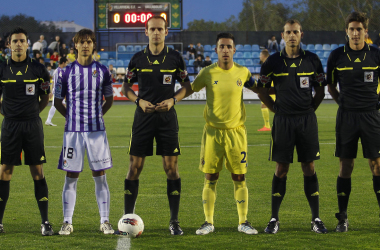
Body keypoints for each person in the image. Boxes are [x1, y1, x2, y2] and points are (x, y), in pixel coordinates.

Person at [175, 32, 259, 235]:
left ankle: (243, 221)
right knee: (210, 176)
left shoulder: (243, 72)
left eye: (229, 46)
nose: (225, 50)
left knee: (239, 177)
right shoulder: (207, 73)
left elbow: (260, 89)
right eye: (222, 46)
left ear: (234, 50)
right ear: (216, 50)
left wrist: (278, 97)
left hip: (236, 133)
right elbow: (190, 89)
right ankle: (208, 222)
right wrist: (172, 99)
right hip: (213, 133)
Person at [121, 15, 190, 236]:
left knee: (171, 169)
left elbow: (186, 86)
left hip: (167, 119)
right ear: (146, 31)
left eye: (160, 29)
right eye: (153, 29)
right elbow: (126, 87)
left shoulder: (176, 58)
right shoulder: (138, 59)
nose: (156, 32)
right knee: (134, 168)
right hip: (143, 118)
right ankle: (127, 219)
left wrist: (173, 100)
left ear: (166, 31)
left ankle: (174, 221)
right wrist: (138, 101)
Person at [257, 19, 327, 234]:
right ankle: (274, 219)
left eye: (295, 32)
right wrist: (275, 109)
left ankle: (315, 218)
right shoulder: (272, 62)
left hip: (306, 121)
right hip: (283, 121)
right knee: (281, 168)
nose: (292, 36)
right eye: (288, 32)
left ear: (301, 34)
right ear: (282, 35)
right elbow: (261, 89)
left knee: (309, 167)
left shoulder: (313, 60)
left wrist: (308, 111)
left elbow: (321, 90)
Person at [54, 28, 115, 235]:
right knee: (71, 176)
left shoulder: (104, 71)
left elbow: (110, 100)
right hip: (73, 132)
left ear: (94, 45)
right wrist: (72, 118)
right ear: (76, 45)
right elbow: (57, 102)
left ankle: (105, 221)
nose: (86, 45)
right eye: (82, 42)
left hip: (96, 132)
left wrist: (97, 116)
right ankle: (67, 222)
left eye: (89, 42)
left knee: (100, 175)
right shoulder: (65, 72)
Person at [327, 12, 380, 232]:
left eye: (359, 29)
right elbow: (330, 87)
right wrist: (344, 104)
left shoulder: (376, 55)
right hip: (347, 117)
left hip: (371, 117)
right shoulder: (337, 56)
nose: (355, 33)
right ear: (346, 31)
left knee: (376, 165)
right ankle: (342, 218)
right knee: (345, 166)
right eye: (352, 29)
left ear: (365, 32)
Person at [0, 27, 53, 235]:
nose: (19, 44)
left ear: (27, 44)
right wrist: (7, 113)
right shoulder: (2, 68)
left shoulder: (39, 69)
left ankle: (45, 222)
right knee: (5, 171)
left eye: (22, 41)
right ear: (9, 45)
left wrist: (33, 114)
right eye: (15, 41)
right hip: (10, 126)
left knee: (37, 171)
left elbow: (45, 97)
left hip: (32, 126)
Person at [45, 57, 68, 126]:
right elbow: (54, 82)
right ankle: (69, 119)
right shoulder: (58, 71)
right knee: (59, 105)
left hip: (59, 91)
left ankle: (48, 120)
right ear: (63, 63)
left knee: (56, 105)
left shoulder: (60, 71)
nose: (66, 64)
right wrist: (52, 92)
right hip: (58, 91)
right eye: (66, 63)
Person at [258, 49, 275, 131]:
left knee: (275, 107)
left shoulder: (268, 64)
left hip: (270, 87)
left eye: (260, 55)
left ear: (264, 56)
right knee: (265, 105)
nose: (259, 56)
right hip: (271, 87)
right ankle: (267, 125)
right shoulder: (271, 62)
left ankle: (268, 126)